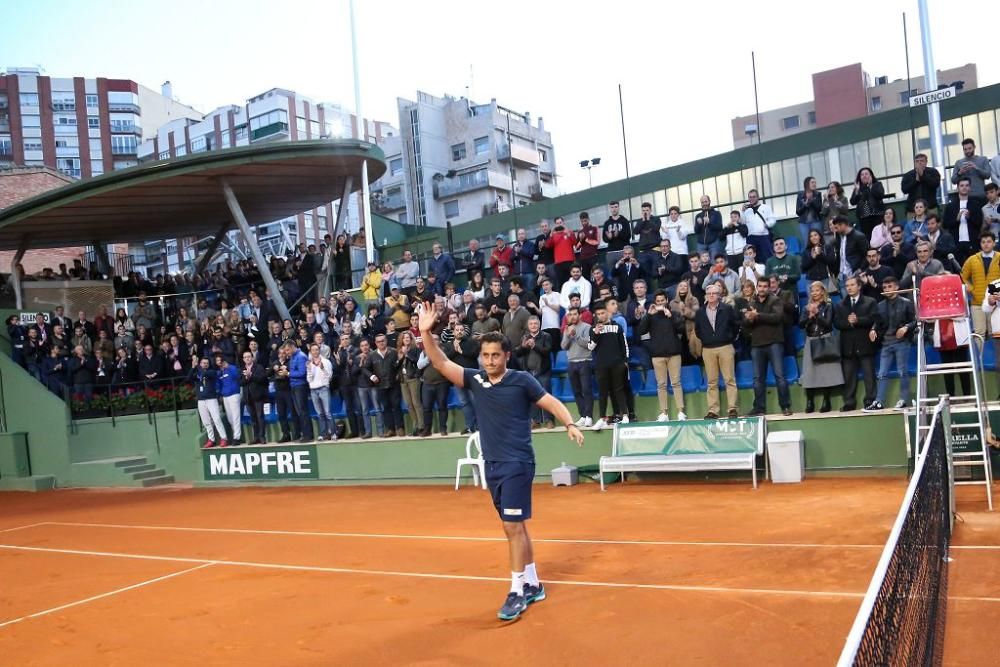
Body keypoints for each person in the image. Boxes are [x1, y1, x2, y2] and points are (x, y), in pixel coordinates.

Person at [416, 303, 584, 622]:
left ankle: (516, 591)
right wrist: (425, 332)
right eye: (485, 355)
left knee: (510, 526)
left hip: (517, 463)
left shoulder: (522, 380)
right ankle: (533, 583)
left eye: (495, 355)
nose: (490, 360)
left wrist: (570, 423)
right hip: (492, 465)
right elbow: (439, 361)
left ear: (506, 355)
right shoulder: (475, 380)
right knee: (516, 527)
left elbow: (551, 402)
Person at [867, 276, 916, 412]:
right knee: (882, 373)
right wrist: (873, 329)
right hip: (886, 343)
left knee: (902, 371)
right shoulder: (880, 305)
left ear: (896, 287)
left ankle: (904, 400)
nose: (887, 289)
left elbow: (914, 321)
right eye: (885, 287)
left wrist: (905, 327)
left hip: (902, 342)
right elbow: (878, 322)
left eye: (890, 286)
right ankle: (879, 402)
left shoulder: (906, 303)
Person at [743, 277, 791, 417]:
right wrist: (749, 319)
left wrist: (757, 316)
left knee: (780, 376)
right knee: (757, 379)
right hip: (757, 344)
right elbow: (745, 323)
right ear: (757, 287)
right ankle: (759, 408)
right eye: (760, 286)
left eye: (765, 286)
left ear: (769, 287)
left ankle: (785, 406)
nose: (763, 288)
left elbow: (777, 318)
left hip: (774, 343)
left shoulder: (775, 300)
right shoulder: (751, 302)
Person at [638, 289, 686, 421]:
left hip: (674, 353)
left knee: (676, 383)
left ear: (667, 301)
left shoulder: (674, 314)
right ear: (655, 302)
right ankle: (664, 413)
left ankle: (680, 412)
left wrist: (670, 316)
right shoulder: (651, 316)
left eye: (662, 300)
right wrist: (648, 315)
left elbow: (682, 328)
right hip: (657, 355)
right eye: (657, 301)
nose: (660, 303)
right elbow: (641, 331)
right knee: (661, 384)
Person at [695, 284, 740, 419]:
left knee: (729, 379)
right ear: (705, 296)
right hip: (708, 349)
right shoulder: (700, 312)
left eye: (714, 293)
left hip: (725, 347)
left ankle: (732, 409)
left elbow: (736, 324)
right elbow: (697, 330)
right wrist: (706, 338)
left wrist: (729, 337)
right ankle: (713, 410)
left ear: (719, 295)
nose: (711, 295)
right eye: (709, 293)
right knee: (711, 381)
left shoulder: (727, 309)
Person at [799, 281, 843, 414]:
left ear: (823, 292)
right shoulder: (806, 307)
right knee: (809, 372)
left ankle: (826, 401)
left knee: (825, 372)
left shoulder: (828, 306)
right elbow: (801, 324)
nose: (814, 293)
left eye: (817, 290)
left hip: (825, 338)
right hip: (811, 340)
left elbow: (828, 324)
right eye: (812, 291)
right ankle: (810, 401)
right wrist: (810, 317)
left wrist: (817, 314)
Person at [834, 276, 878, 411]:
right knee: (848, 377)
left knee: (869, 375)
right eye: (847, 285)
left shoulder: (870, 302)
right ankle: (849, 402)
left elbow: (874, 318)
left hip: (865, 344)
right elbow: (837, 323)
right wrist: (848, 322)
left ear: (859, 286)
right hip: (847, 346)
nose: (849, 288)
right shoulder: (840, 304)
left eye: (852, 285)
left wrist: (857, 320)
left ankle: (870, 401)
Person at [588, 301, 629, 431]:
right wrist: (596, 333)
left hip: (617, 364)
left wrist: (625, 361)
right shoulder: (593, 329)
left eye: (603, 313)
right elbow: (591, 347)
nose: (601, 316)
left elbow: (624, 344)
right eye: (598, 314)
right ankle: (602, 418)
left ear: (608, 312)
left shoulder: (617, 327)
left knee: (619, 390)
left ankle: (625, 416)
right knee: (602, 393)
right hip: (601, 365)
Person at [961, 231, 1000, 342]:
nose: (986, 244)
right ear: (980, 244)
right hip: (977, 303)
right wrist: (971, 288)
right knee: (979, 334)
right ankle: (979, 359)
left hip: (997, 304)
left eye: (988, 241)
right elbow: (962, 276)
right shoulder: (972, 259)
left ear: (994, 243)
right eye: (983, 242)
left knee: (997, 334)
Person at [516, 317, 554, 428]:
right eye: (531, 324)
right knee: (533, 397)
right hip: (529, 372)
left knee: (546, 396)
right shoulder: (524, 337)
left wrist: (534, 346)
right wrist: (523, 347)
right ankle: (535, 421)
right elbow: (518, 354)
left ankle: (549, 420)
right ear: (528, 326)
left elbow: (547, 351)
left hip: (543, 371)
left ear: (539, 324)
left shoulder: (546, 336)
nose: (533, 326)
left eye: (535, 323)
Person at [561, 306, 594, 428]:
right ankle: (583, 416)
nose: (573, 316)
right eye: (570, 315)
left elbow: (588, 344)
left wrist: (576, 336)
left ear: (580, 315)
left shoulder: (587, 327)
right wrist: (569, 335)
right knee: (577, 391)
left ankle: (589, 416)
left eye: (575, 314)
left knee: (586, 390)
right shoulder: (567, 329)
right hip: (571, 362)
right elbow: (564, 346)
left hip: (585, 361)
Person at [943, 176, 986, 264]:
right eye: (962, 185)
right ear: (957, 188)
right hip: (955, 243)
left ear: (970, 187)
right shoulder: (951, 206)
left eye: (967, 185)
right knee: (958, 269)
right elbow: (945, 224)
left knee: (975, 267)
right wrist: (957, 219)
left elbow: (979, 223)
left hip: (972, 241)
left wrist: (969, 217)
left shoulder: (976, 204)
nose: (964, 188)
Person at [190, 355, 227, 448]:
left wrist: (197, 364)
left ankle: (224, 438)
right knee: (206, 421)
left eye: (207, 363)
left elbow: (205, 374)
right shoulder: (198, 373)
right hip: (201, 400)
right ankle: (211, 439)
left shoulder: (212, 372)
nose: (205, 365)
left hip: (211, 399)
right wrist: (193, 367)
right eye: (203, 363)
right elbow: (188, 378)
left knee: (217, 419)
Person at [831, 216, 869, 296]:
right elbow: (839, 255)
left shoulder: (859, 236)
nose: (835, 230)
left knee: (857, 302)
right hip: (842, 275)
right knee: (846, 304)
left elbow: (866, 255)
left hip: (854, 274)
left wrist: (860, 269)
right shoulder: (838, 237)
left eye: (836, 227)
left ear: (843, 225)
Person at [285, 340, 315, 442]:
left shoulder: (301, 356)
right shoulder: (292, 357)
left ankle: (308, 435)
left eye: (288, 350)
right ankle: (304, 434)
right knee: (299, 412)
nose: (287, 353)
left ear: (293, 347)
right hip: (293, 386)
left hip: (300, 386)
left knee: (303, 411)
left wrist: (288, 374)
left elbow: (302, 373)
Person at [307, 343, 336, 441]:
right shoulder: (309, 363)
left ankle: (333, 433)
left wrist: (322, 368)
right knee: (320, 414)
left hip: (323, 388)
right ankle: (323, 434)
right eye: (313, 350)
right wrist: (310, 370)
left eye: (316, 349)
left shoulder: (326, 361)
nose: (315, 352)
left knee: (327, 412)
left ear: (319, 350)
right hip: (313, 390)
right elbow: (309, 379)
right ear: (310, 352)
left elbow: (329, 376)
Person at [240, 350, 269, 444]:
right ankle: (256, 437)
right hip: (248, 397)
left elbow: (263, 379)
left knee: (260, 417)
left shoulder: (259, 367)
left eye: (249, 356)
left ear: (252, 358)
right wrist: (246, 378)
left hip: (258, 396)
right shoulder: (242, 369)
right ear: (243, 359)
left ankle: (262, 436)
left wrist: (251, 376)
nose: (247, 358)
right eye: (245, 357)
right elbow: (241, 383)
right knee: (253, 418)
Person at [740, 189, 776, 261]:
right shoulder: (747, 210)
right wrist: (742, 211)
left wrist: (766, 225)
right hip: (751, 237)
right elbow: (742, 222)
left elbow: (773, 219)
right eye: (750, 197)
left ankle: (769, 272)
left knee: (767, 257)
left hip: (763, 236)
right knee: (751, 259)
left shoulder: (765, 207)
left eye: (754, 197)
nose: (752, 199)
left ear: (758, 197)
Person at [850, 167, 886, 238]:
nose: (864, 176)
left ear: (871, 175)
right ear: (859, 177)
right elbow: (852, 202)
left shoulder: (877, 184)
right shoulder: (858, 188)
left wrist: (870, 186)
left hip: (877, 215)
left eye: (866, 174)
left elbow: (880, 195)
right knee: (867, 237)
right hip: (864, 217)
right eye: (862, 175)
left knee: (879, 236)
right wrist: (856, 191)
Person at [216, 353, 243, 445]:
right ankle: (236, 435)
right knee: (230, 418)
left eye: (220, 360)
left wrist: (229, 367)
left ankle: (237, 437)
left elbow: (237, 376)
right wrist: (220, 394)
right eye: (217, 361)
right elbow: (219, 384)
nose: (219, 362)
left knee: (236, 416)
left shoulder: (232, 367)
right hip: (225, 396)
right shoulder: (219, 372)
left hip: (234, 394)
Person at [547, 218, 578, 286]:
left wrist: (568, 234)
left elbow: (575, 243)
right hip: (559, 262)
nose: (559, 224)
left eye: (560, 222)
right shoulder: (554, 235)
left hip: (570, 260)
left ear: (563, 223)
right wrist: (551, 235)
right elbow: (548, 245)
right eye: (557, 223)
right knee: (562, 283)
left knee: (572, 281)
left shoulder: (570, 232)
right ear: (555, 225)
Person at [693, 195, 724, 259]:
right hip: (701, 243)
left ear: (709, 202)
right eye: (702, 202)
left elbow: (719, 227)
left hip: (714, 242)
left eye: (705, 201)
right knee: (701, 263)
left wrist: (709, 222)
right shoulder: (698, 216)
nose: (704, 204)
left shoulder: (716, 213)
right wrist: (699, 224)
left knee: (714, 262)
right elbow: (696, 231)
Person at [602, 200, 631, 265]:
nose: (614, 209)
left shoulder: (624, 221)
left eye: (615, 207)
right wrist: (609, 238)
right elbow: (604, 239)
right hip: (611, 252)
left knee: (625, 273)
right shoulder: (607, 223)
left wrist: (619, 234)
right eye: (612, 207)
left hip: (623, 251)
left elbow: (629, 236)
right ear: (610, 208)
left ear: (618, 207)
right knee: (613, 273)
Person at [796, 176, 823, 243]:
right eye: (812, 182)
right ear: (807, 184)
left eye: (815, 183)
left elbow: (819, 209)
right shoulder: (800, 194)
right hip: (803, 223)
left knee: (817, 242)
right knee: (806, 242)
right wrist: (805, 205)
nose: (814, 184)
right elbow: (798, 212)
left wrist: (811, 201)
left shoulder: (818, 194)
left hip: (816, 221)